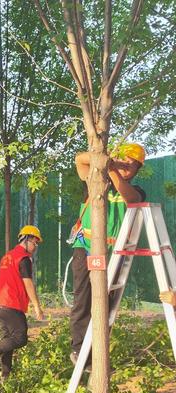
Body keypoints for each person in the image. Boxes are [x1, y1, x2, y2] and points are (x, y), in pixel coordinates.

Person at [68, 143, 146, 367]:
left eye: (131, 166)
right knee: (83, 299)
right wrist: (105, 159)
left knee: (107, 303)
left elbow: (131, 198)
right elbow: (80, 160)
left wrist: (112, 169)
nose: (125, 167)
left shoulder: (136, 190)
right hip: (86, 246)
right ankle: (79, 347)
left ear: (137, 170)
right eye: (123, 162)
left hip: (114, 251)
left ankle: (97, 347)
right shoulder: (95, 183)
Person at [0, 226, 44, 381]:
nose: (35, 247)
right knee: (20, 338)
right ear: (26, 240)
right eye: (35, 243)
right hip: (11, 303)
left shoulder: (7, 256)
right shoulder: (23, 258)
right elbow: (28, 284)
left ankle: (5, 375)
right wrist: (37, 307)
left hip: (0, 303)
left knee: (10, 338)